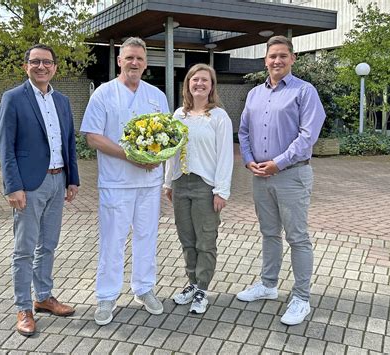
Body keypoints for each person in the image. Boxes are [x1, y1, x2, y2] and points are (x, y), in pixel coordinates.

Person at [80, 37, 169, 326]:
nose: (134, 63)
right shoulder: (104, 94)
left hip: (149, 182)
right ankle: (106, 296)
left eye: (139, 59)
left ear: (146, 63)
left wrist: (159, 158)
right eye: (129, 57)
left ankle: (144, 288)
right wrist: (130, 156)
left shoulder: (157, 96)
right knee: (113, 241)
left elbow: (167, 135)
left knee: (147, 237)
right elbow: (92, 136)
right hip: (116, 182)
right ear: (119, 60)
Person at [237, 35, 325, 326]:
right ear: (265, 60)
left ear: (292, 58)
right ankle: (269, 285)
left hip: (291, 174)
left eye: (282, 56)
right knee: (269, 233)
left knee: (297, 237)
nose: (277, 61)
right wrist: (249, 159)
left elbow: (308, 135)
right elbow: (244, 132)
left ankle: (301, 298)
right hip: (260, 175)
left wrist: (278, 163)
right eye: (272, 56)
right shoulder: (254, 94)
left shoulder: (305, 91)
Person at [0, 44, 80, 336]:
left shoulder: (63, 101)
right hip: (29, 186)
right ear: (26, 66)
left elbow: (68, 142)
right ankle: (23, 307)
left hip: (58, 182)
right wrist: (13, 187)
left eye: (47, 62)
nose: (41, 66)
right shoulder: (13, 99)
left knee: (48, 244)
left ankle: (43, 297)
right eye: (35, 62)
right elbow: (5, 147)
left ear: (55, 67)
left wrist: (73, 179)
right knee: (24, 250)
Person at [164, 63, 233, 314]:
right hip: (181, 183)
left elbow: (226, 155)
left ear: (212, 86)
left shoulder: (218, 117)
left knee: (206, 240)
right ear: (188, 84)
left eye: (205, 80)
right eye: (195, 80)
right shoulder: (178, 115)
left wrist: (221, 190)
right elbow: (170, 152)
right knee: (187, 239)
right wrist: (168, 182)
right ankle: (192, 283)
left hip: (206, 186)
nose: (199, 84)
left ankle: (203, 287)